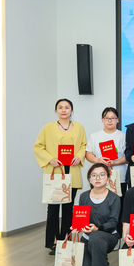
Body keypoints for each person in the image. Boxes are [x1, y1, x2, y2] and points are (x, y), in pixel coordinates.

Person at [33, 98, 87, 255]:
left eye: (67, 107)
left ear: (72, 110)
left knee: (69, 209)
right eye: (60, 107)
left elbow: (83, 145)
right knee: (53, 210)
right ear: (56, 110)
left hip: (72, 172)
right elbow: (38, 146)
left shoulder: (79, 127)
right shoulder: (48, 128)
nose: (64, 110)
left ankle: (66, 241)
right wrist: (50, 158)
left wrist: (79, 156)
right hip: (55, 172)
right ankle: (54, 242)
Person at [72, 163, 120, 266]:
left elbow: (113, 222)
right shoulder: (84, 196)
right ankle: (97, 258)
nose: (98, 178)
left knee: (95, 236)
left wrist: (97, 228)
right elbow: (81, 217)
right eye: (94, 175)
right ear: (89, 178)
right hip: (88, 236)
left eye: (102, 175)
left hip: (108, 235)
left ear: (108, 177)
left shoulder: (114, 198)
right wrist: (77, 227)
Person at [85, 107, 128, 235]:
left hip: (119, 176)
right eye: (107, 118)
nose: (110, 121)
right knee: (99, 205)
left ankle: (117, 235)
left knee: (118, 206)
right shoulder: (95, 136)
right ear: (102, 120)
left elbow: (128, 156)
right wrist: (98, 160)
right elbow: (88, 154)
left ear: (117, 120)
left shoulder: (123, 136)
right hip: (99, 176)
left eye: (113, 118)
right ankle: (98, 232)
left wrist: (115, 162)